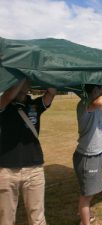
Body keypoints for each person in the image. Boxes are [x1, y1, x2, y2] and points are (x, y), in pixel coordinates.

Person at [0, 79, 56, 225]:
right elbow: (7, 97)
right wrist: (21, 78)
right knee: (6, 218)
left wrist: (37, 74)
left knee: (37, 218)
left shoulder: (35, 105)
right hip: (7, 170)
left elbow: (52, 92)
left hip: (34, 168)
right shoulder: (4, 103)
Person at [73, 84, 102, 225]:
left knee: (91, 190)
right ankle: (85, 221)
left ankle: (85, 213)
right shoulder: (86, 103)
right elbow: (100, 102)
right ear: (94, 89)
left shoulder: (93, 103)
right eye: (101, 88)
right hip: (88, 156)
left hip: (96, 153)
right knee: (87, 194)